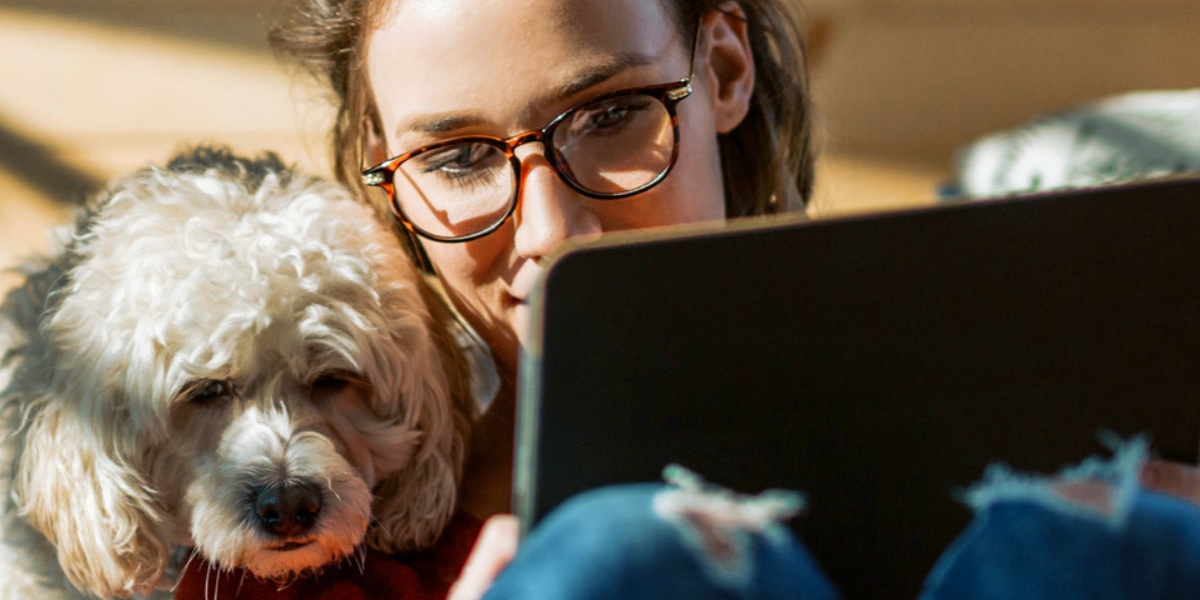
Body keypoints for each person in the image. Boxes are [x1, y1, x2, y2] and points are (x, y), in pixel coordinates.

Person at [269, 1, 1200, 598]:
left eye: (608, 115)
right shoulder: (309, 535)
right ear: (384, 183)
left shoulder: (1029, 435)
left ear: (721, 71)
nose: (552, 230)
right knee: (631, 557)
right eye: (458, 159)